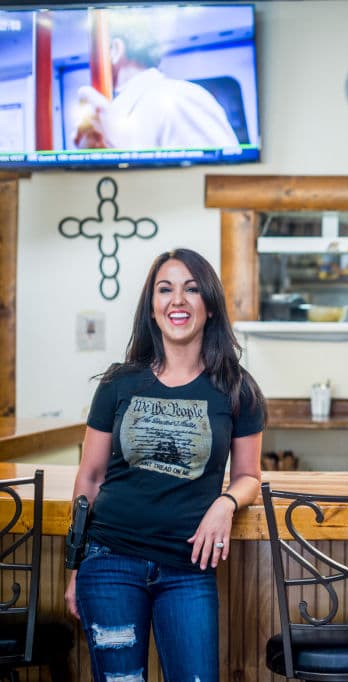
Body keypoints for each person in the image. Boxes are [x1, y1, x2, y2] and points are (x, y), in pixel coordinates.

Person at [65, 248, 265, 681]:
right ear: (152, 308)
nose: (178, 300)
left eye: (192, 289)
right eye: (165, 289)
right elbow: (91, 477)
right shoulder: (119, 383)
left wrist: (226, 503)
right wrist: (75, 566)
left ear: (209, 306)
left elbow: (250, 476)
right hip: (110, 560)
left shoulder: (235, 388)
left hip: (187, 570)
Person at [74, 9, 239, 150]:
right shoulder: (117, 114)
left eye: (94, 55)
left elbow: (223, 184)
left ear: (115, 50)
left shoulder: (179, 99)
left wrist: (118, 151)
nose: (91, 63)